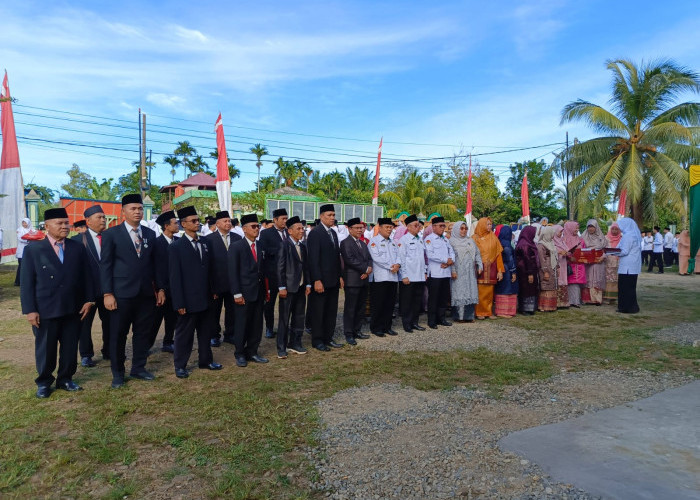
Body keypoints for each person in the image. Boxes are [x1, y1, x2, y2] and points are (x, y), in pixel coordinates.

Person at [20, 207, 94, 398]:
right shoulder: (34, 250)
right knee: (46, 348)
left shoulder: (77, 248)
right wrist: (30, 310)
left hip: (73, 308)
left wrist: (88, 300)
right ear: (47, 226)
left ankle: (66, 378)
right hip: (45, 309)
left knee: (70, 347)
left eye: (66, 222)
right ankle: (44, 382)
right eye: (59, 223)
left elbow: (87, 276)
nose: (65, 226)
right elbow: (27, 283)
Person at [100, 194, 166, 389]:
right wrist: (107, 293)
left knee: (142, 333)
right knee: (118, 334)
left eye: (139, 208)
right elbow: (105, 266)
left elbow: (156, 264)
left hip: (145, 293)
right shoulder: (111, 234)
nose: (137, 212)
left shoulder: (149, 234)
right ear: (123, 212)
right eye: (132, 209)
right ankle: (118, 374)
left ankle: (138, 368)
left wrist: (160, 288)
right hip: (121, 294)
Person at [168, 206, 222, 378]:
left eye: (198, 220)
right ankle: (180, 365)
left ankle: (205, 360)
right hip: (188, 300)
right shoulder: (176, 247)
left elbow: (212, 269)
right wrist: (179, 303)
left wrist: (214, 290)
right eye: (193, 221)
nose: (197, 223)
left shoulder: (205, 242)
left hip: (206, 297)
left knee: (206, 331)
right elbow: (175, 278)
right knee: (185, 335)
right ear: (183, 224)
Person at [228, 214, 268, 366]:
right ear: (244, 229)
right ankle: (239, 353)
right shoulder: (237, 246)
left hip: (258, 292)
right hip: (244, 293)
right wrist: (237, 293)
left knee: (257, 324)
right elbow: (232, 272)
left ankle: (252, 351)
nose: (257, 229)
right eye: (253, 226)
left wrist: (267, 291)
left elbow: (263, 270)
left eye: (258, 226)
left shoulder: (260, 245)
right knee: (242, 324)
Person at [73, 205, 109, 367]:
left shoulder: (111, 237)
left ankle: (109, 350)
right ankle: (86, 354)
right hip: (87, 291)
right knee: (84, 324)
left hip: (108, 290)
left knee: (110, 322)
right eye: (99, 217)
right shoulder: (77, 241)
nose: (103, 220)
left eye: (104, 217)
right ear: (88, 221)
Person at [306, 204, 344, 351]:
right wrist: (316, 279)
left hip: (333, 280)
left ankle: (328, 337)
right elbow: (313, 259)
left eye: (333, 215)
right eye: (329, 215)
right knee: (318, 311)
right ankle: (317, 340)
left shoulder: (333, 233)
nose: (332, 218)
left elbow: (336, 257)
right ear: (322, 216)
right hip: (321, 280)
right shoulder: (316, 233)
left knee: (331, 311)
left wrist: (340, 276)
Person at [204, 210, 242, 347]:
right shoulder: (208, 239)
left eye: (229, 221)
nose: (228, 223)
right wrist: (210, 285)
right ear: (218, 223)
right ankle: (214, 335)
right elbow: (207, 264)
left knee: (232, 310)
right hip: (216, 282)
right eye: (225, 221)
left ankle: (230, 334)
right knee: (214, 311)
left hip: (233, 283)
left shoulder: (238, 238)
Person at [276, 216, 311, 357]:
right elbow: (280, 268)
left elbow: (306, 267)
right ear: (290, 231)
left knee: (299, 317)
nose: (302, 231)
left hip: (301, 287)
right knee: (284, 318)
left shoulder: (302, 246)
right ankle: (281, 347)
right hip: (288, 288)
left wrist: (308, 283)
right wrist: (281, 287)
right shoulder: (284, 245)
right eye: (298, 228)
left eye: (302, 228)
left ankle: (295, 343)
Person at [340, 217, 372, 343]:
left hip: (364, 280)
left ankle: (357, 330)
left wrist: (368, 269)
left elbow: (369, 258)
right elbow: (349, 260)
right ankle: (348, 333)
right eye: (357, 228)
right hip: (353, 281)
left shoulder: (363, 244)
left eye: (361, 228)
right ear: (349, 229)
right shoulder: (345, 243)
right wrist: (365, 269)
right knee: (350, 308)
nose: (360, 230)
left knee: (361, 307)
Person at [151, 210, 179, 353]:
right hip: (160, 288)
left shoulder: (179, 242)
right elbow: (154, 268)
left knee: (172, 318)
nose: (178, 225)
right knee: (155, 319)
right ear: (166, 226)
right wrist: (159, 288)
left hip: (175, 288)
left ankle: (168, 342)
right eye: (175, 223)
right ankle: (147, 345)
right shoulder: (156, 243)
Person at [258, 208, 288, 339]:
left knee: (286, 303)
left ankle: (285, 326)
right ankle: (269, 327)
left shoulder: (289, 232)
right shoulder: (266, 233)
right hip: (272, 274)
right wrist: (281, 251)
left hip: (287, 274)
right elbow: (264, 250)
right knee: (269, 304)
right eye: (283, 219)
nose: (285, 221)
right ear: (275, 220)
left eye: (286, 218)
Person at [368, 217, 400, 336]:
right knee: (378, 304)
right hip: (380, 278)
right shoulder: (373, 242)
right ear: (379, 228)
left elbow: (399, 256)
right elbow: (376, 258)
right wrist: (392, 266)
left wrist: (398, 264)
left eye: (391, 227)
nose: (389, 229)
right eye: (387, 227)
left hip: (392, 277)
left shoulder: (393, 242)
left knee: (389, 304)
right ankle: (376, 328)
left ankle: (387, 327)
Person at [397, 214, 427, 332]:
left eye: (419, 225)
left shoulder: (420, 239)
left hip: (419, 276)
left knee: (417, 301)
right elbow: (401, 259)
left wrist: (424, 272)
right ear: (408, 227)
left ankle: (415, 322)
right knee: (407, 302)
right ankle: (407, 324)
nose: (418, 227)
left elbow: (422, 258)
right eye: (415, 225)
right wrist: (404, 275)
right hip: (409, 276)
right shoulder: (404, 240)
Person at [424, 217, 454, 328]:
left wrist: (450, 261)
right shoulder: (429, 239)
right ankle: (432, 321)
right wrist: (446, 260)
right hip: (435, 273)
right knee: (434, 298)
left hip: (446, 273)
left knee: (443, 297)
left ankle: (441, 318)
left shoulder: (445, 239)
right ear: (434, 227)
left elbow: (452, 252)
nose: (443, 228)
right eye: (440, 226)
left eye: (444, 226)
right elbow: (430, 254)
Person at [472, 217, 504, 320]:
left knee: (490, 292)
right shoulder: (474, 238)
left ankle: (488, 311)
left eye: (490, 224)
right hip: (479, 268)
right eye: (487, 224)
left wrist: (500, 270)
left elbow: (498, 255)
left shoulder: (494, 238)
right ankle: (479, 311)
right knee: (480, 291)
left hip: (491, 268)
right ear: (482, 225)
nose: (490, 226)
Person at [450, 221, 481, 322]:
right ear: (456, 229)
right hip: (458, 272)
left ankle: (469, 316)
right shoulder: (452, 241)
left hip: (470, 272)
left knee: (470, 292)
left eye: (465, 228)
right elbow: (450, 257)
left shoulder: (470, 241)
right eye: (461, 228)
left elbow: (477, 253)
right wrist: (453, 270)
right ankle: (459, 316)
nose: (464, 230)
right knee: (459, 292)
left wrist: (479, 265)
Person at [616, 218, 642, 313]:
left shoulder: (628, 236)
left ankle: (626, 307)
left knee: (624, 288)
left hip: (627, 267)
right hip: (632, 266)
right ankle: (632, 307)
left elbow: (624, 251)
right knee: (630, 288)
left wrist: (613, 253)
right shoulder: (635, 235)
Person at [494, 225, 518, 318]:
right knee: (507, 290)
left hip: (501, 268)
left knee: (502, 289)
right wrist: (513, 272)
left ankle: (501, 311)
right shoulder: (507, 245)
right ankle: (504, 312)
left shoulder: (499, 242)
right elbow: (510, 260)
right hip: (507, 269)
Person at [582, 220, 607, 305]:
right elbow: (580, 249)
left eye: (592, 227)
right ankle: (587, 299)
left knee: (597, 278)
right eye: (589, 227)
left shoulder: (601, 237)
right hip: (587, 263)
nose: (591, 229)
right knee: (589, 278)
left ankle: (597, 299)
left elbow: (606, 250)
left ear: (596, 227)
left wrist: (602, 257)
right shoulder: (583, 237)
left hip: (598, 262)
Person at [515, 226, 540, 315]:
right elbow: (527, 259)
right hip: (525, 271)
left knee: (530, 288)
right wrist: (529, 273)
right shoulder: (525, 244)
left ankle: (529, 308)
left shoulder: (528, 242)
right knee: (526, 289)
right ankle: (525, 308)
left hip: (529, 270)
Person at [536, 226, 559, 312]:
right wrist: (545, 271)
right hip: (545, 269)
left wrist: (557, 267)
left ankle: (551, 306)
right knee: (546, 286)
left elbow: (555, 257)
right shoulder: (541, 245)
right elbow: (542, 259)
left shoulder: (551, 243)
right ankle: (544, 306)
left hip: (552, 268)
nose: (553, 236)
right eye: (552, 234)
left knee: (551, 286)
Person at [563, 221, 585, 307]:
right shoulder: (563, 240)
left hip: (579, 264)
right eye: (575, 227)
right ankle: (570, 300)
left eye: (577, 228)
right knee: (570, 282)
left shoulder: (580, 240)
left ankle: (576, 300)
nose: (577, 229)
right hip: (569, 264)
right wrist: (569, 256)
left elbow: (584, 250)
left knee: (577, 283)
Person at [603, 222, 622, 305]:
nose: (614, 231)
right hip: (608, 261)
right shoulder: (606, 238)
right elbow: (603, 249)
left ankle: (614, 298)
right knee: (608, 279)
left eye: (616, 229)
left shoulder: (622, 238)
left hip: (619, 262)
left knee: (616, 279)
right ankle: (606, 297)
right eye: (613, 229)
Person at [552, 225, 570, 308]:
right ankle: (557, 303)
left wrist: (567, 253)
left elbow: (567, 250)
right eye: (559, 232)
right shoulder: (552, 242)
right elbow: (551, 251)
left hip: (563, 264)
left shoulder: (562, 241)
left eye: (561, 232)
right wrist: (559, 252)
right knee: (558, 281)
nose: (561, 233)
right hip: (556, 265)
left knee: (563, 281)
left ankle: (563, 302)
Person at [14, 217, 32, 286]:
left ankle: (27, 281)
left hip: (29, 250)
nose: (24, 224)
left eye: (25, 223)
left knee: (28, 266)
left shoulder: (31, 230)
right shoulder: (19, 230)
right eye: (23, 222)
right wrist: (28, 240)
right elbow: (20, 238)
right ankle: (18, 281)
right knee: (21, 266)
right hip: (21, 251)